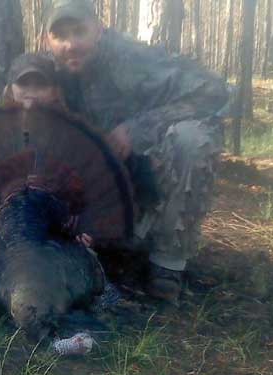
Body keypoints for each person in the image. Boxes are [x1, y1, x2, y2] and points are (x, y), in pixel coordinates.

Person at [43, 0, 229, 303]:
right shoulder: (45, 70)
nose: (71, 44)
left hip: (140, 176)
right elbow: (4, 103)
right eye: (61, 36)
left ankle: (168, 262)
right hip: (88, 187)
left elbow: (213, 90)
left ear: (98, 30)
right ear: (47, 40)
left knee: (191, 139)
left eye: (80, 32)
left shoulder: (134, 58)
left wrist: (138, 128)